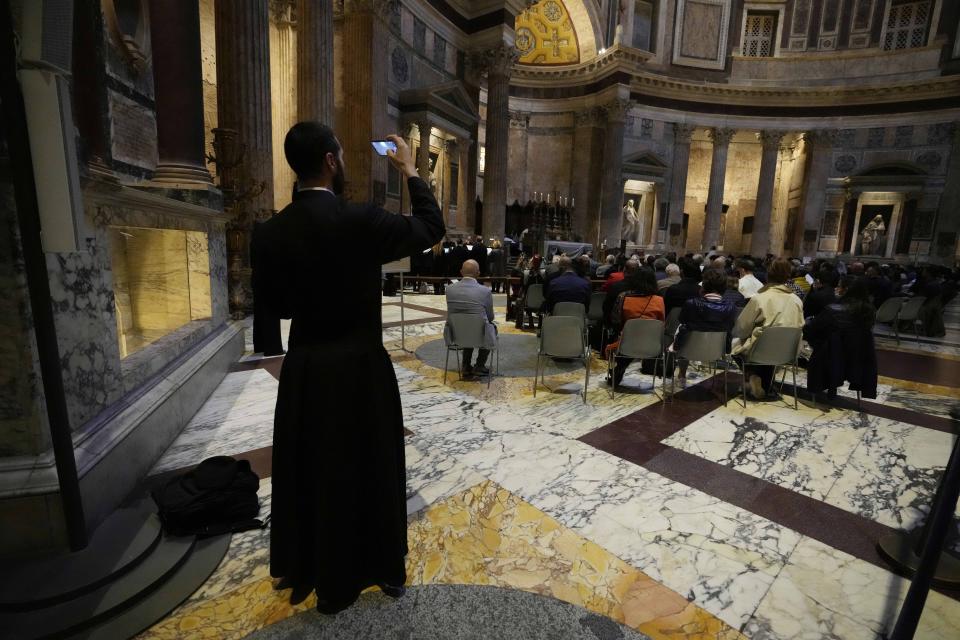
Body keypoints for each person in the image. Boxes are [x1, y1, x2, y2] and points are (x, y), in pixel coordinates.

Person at [252, 124, 444, 614]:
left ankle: (307, 567)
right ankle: (380, 566)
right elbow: (429, 226)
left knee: (312, 468)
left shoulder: (270, 232)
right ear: (332, 162)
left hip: (308, 368)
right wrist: (408, 170)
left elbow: (270, 314)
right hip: (360, 365)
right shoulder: (360, 220)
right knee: (370, 464)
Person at [732, 258, 804, 399]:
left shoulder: (760, 298)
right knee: (769, 343)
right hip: (787, 352)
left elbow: (741, 328)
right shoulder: (797, 300)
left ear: (767, 275)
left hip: (760, 350)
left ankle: (752, 375)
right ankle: (763, 384)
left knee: (736, 343)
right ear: (787, 276)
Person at [804, 275, 878, 400]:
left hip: (829, 359)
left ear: (846, 289)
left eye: (839, 286)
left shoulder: (832, 310)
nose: (836, 289)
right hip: (856, 359)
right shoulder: (869, 311)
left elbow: (811, 330)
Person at [671, 268, 738, 385]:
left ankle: (682, 373)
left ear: (704, 285)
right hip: (716, 351)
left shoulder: (691, 303)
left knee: (681, 330)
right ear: (724, 287)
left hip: (688, 350)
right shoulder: (731, 307)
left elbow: (682, 320)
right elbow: (730, 327)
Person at [605, 267, 665, 386]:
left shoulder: (623, 297)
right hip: (651, 345)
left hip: (627, 343)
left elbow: (616, 321)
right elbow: (661, 323)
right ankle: (619, 369)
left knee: (625, 339)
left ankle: (619, 369)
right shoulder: (659, 300)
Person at [444, 259, 497, 377]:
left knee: (466, 327)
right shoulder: (485, 291)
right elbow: (490, 317)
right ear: (478, 273)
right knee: (489, 327)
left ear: (461, 272)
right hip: (478, 336)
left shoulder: (449, 290)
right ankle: (479, 365)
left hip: (456, 335)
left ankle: (465, 365)